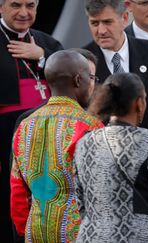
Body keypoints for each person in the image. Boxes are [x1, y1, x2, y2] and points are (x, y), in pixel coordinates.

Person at [74, 72, 148, 242]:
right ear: (139, 103)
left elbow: (81, 202)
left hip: (92, 236)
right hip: (139, 237)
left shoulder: (84, 143)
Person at [10, 50, 103, 242]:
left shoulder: (25, 125)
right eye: (90, 78)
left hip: (36, 230)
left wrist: (23, 228)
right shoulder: (90, 125)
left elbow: (17, 188)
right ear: (78, 80)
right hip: (79, 232)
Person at [0, 0, 63, 240]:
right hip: (5, 139)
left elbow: (72, 75)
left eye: (31, 6)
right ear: (1, 7)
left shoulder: (47, 43)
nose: (24, 13)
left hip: (47, 139)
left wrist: (44, 56)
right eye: (16, 5)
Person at [83, 0, 148, 128]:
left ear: (125, 18)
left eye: (107, 22)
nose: (101, 31)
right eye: (94, 23)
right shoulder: (81, 62)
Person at [13, 48, 99, 130]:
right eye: (89, 77)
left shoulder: (26, 121)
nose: (90, 84)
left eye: (92, 77)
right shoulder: (92, 122)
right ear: (77, 80)